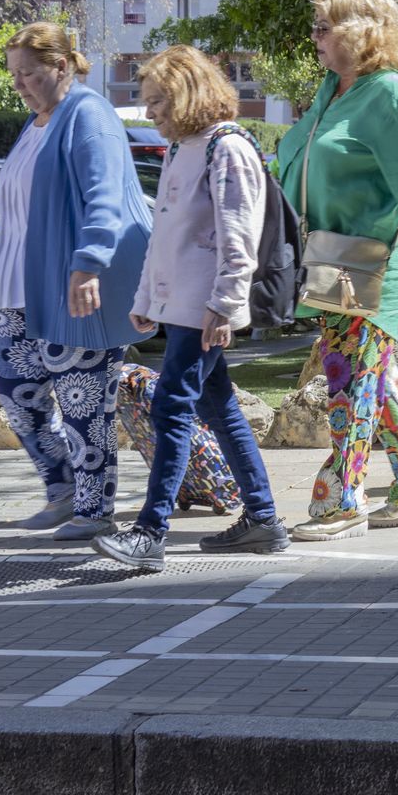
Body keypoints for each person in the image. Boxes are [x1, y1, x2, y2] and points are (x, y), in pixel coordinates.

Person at [92, 45, 288, 571]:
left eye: (157, 101)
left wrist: (223, 307)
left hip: (201, 308)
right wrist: (145, 299)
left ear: (185, 95)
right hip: (182, 304)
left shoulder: (227, 148)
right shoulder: (186, 148)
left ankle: (150, 532)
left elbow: (238, 236)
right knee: (217, 406)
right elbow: (166, 238)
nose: (149, 111)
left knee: (171, 407)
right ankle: (264, 519)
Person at [276, 0, 398, 538]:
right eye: (315, 27)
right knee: (373, 374)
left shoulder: (395, 94)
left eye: (325, 27)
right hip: (332, 254)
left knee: (348, 374)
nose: (315, 37)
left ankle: (342, 501)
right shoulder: (335, 91)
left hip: (377, 257)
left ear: (364, 30)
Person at [0, 23, 152, 540]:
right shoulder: (36, 121)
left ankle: (93, 509)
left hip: (71, 287)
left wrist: (87, 264)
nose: (19, 84)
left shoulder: (88, 114)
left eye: (28, 73)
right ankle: (61, 490)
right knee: (19, 395)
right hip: (15, 286)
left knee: (84, 403)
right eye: (13, 74)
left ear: (62, 66)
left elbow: (104, 199)